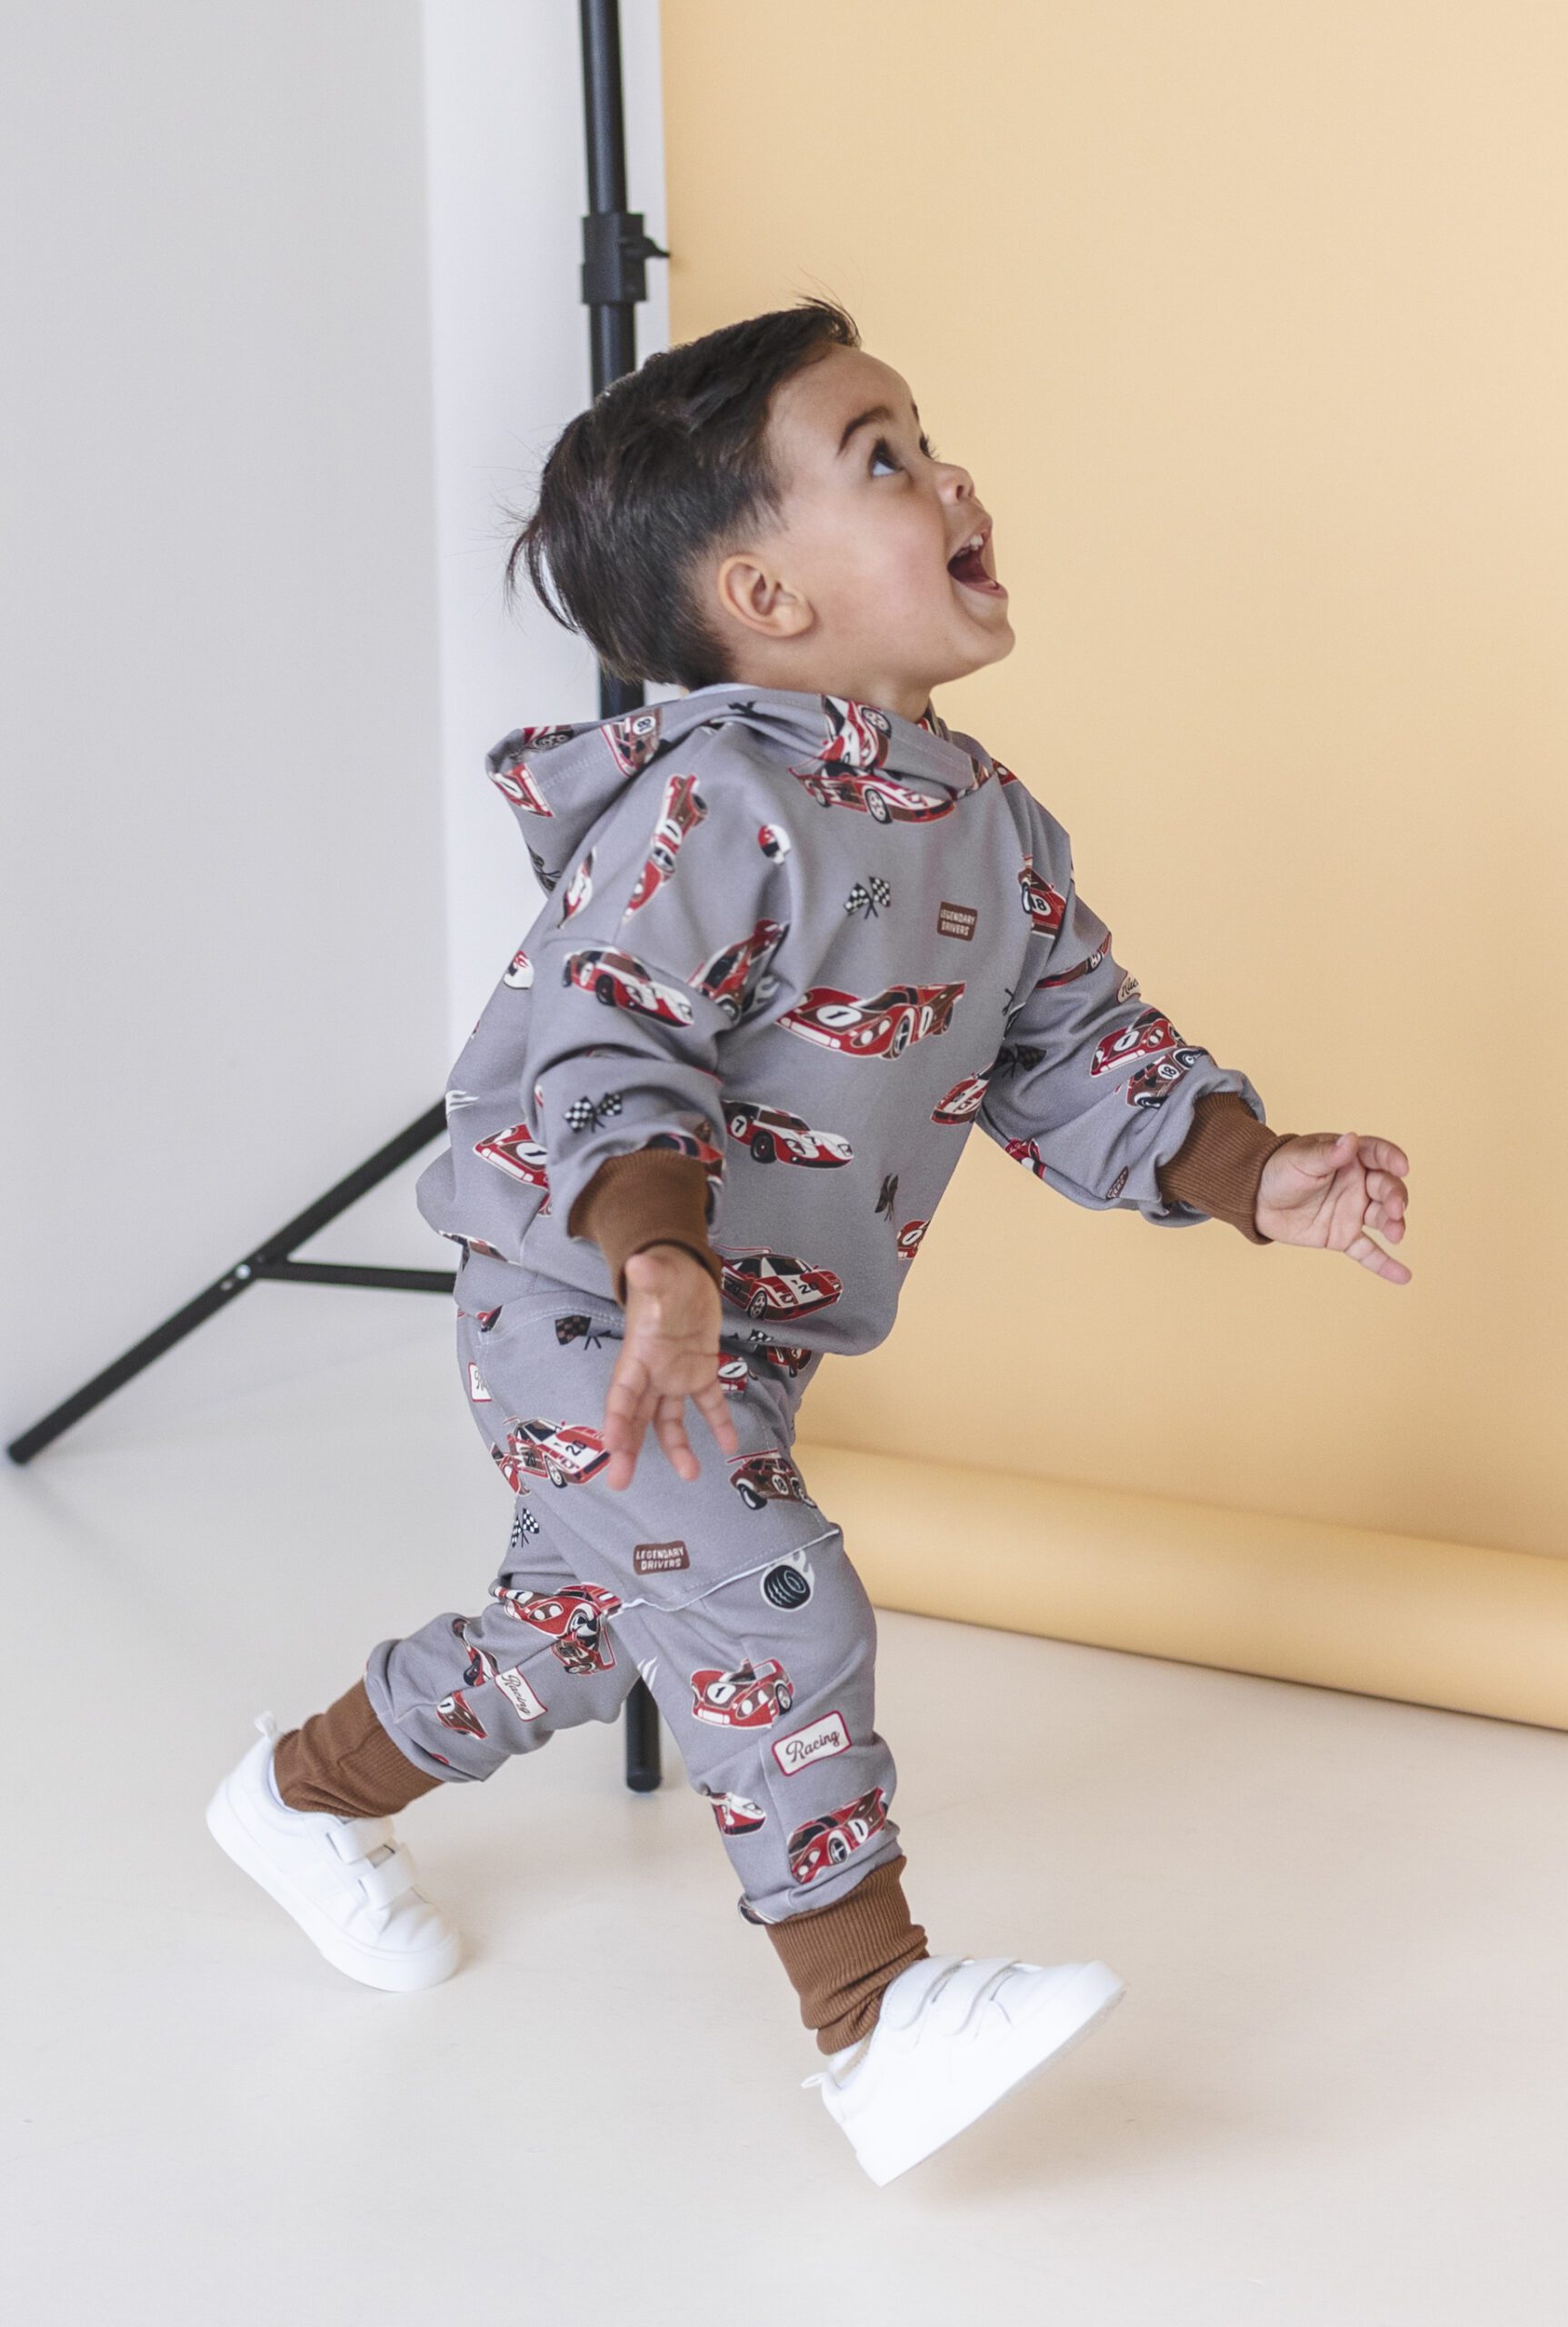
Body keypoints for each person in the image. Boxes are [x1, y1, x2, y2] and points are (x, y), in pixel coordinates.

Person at [205, 295, 1411, 2187]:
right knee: (778, 1604)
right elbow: (610, 1039)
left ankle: (300, 1794)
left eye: (927, 437)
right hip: (584, 1297)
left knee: (581, 1636)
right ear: (765, 599)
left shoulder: (995, 830)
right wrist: (657, 1253)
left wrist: (1254, 1172)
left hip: (743, 1327)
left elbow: (1084, 1055)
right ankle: (874, 2017)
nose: (952, 475)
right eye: (885, 458)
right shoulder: (713, 801)